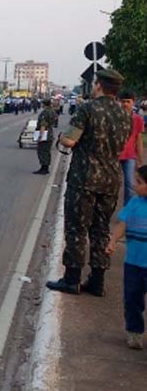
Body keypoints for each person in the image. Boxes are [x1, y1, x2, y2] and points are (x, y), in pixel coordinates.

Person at [47, 69, 131, 296]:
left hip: (85, 179)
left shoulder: (88, 109)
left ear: (99, 86)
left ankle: (71, 279)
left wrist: (63, 137)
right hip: (111, 179)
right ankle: (97, 281)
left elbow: (69, 141)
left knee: (76, 229)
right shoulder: (126, 114)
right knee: (101, 230)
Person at [106, 165, 147, 349]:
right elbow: (123, 224)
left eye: (139, 182)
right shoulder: (134, 203)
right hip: (133, 263)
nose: (135, 186)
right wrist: (114, 240)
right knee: (132, 298)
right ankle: (134, 331)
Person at [119, 90, 143, 206]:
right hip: (114, 155)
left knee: (130, 185)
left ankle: (126, 211)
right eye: (122, 101)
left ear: (133, 102)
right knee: (112, 184)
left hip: (129, 156)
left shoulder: (138, 119)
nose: (125, 104)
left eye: (128, 102)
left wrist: (140, 160)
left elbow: (138, 140)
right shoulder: (114, 118)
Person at [33, 99, 56, 175]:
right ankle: (46, 168)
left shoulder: (45, 112)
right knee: (47, 151)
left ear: (44, 104)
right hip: (50, 133)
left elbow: (43, 124)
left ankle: (43, 168)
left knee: (42, 151)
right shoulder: (52, 111)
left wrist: (40, 135)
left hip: (45, 134)